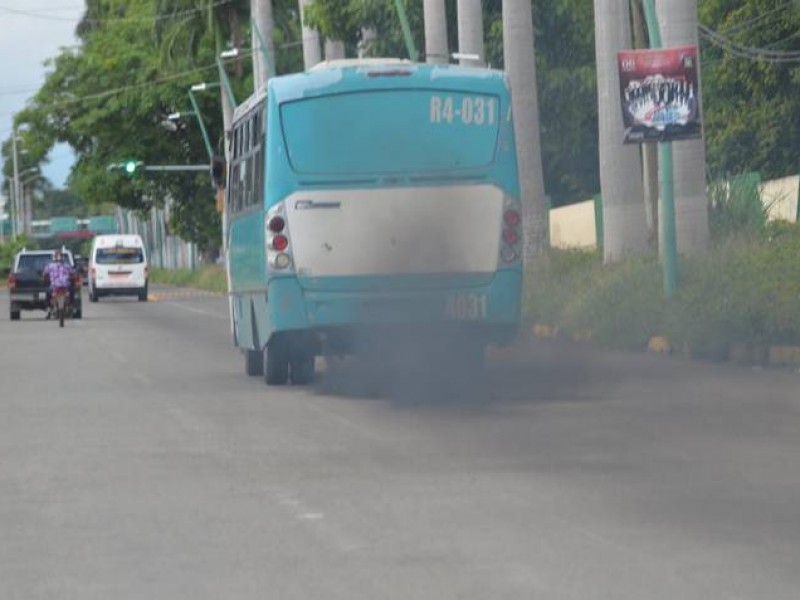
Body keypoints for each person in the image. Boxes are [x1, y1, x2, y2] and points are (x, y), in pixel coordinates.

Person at [42, 249, 75, 319]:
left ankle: (49, 309)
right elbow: (73, 273)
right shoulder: (66, 265)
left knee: (47, 294)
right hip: (66, 286)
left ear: (53, 257)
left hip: (54, 286)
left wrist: (44, 278)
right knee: (72, 292)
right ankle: (71, 307)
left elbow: (44, 274)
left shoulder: (49, 266)